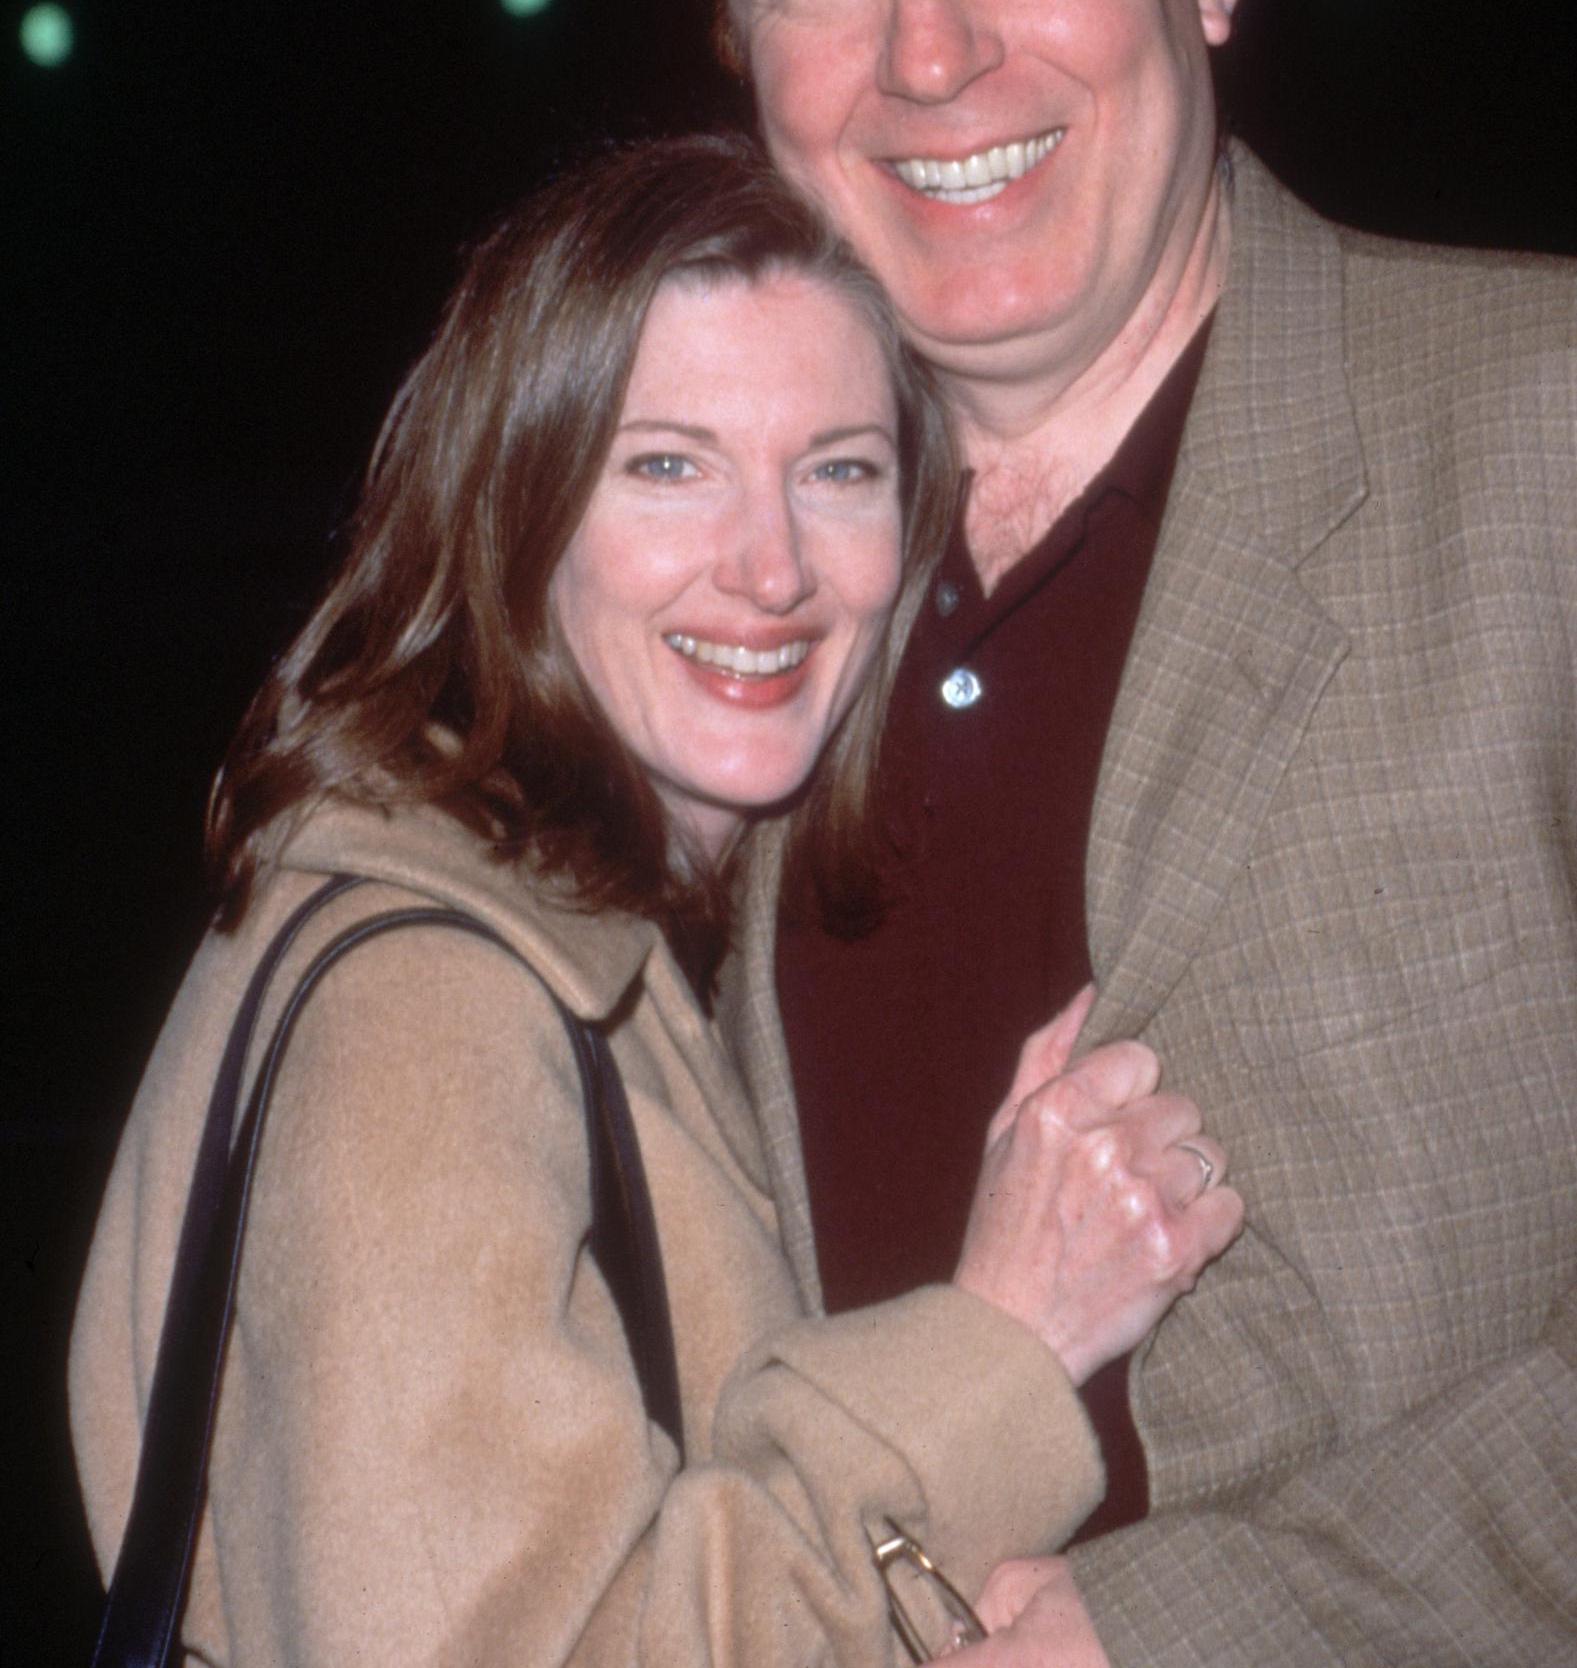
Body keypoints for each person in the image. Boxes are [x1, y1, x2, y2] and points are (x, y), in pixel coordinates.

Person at [658, 0, 1577, 1663]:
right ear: (744, 62)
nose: (932, 56)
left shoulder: (1546, 438)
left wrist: (1203, 1631)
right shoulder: (715, 621)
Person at [70, 133, 1242, 1665]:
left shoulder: (525, 928)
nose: (767, 568)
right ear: (520, 507)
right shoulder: (428, 1012)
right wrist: (1004, 1342)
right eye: (666, 465)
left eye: (837, 471)